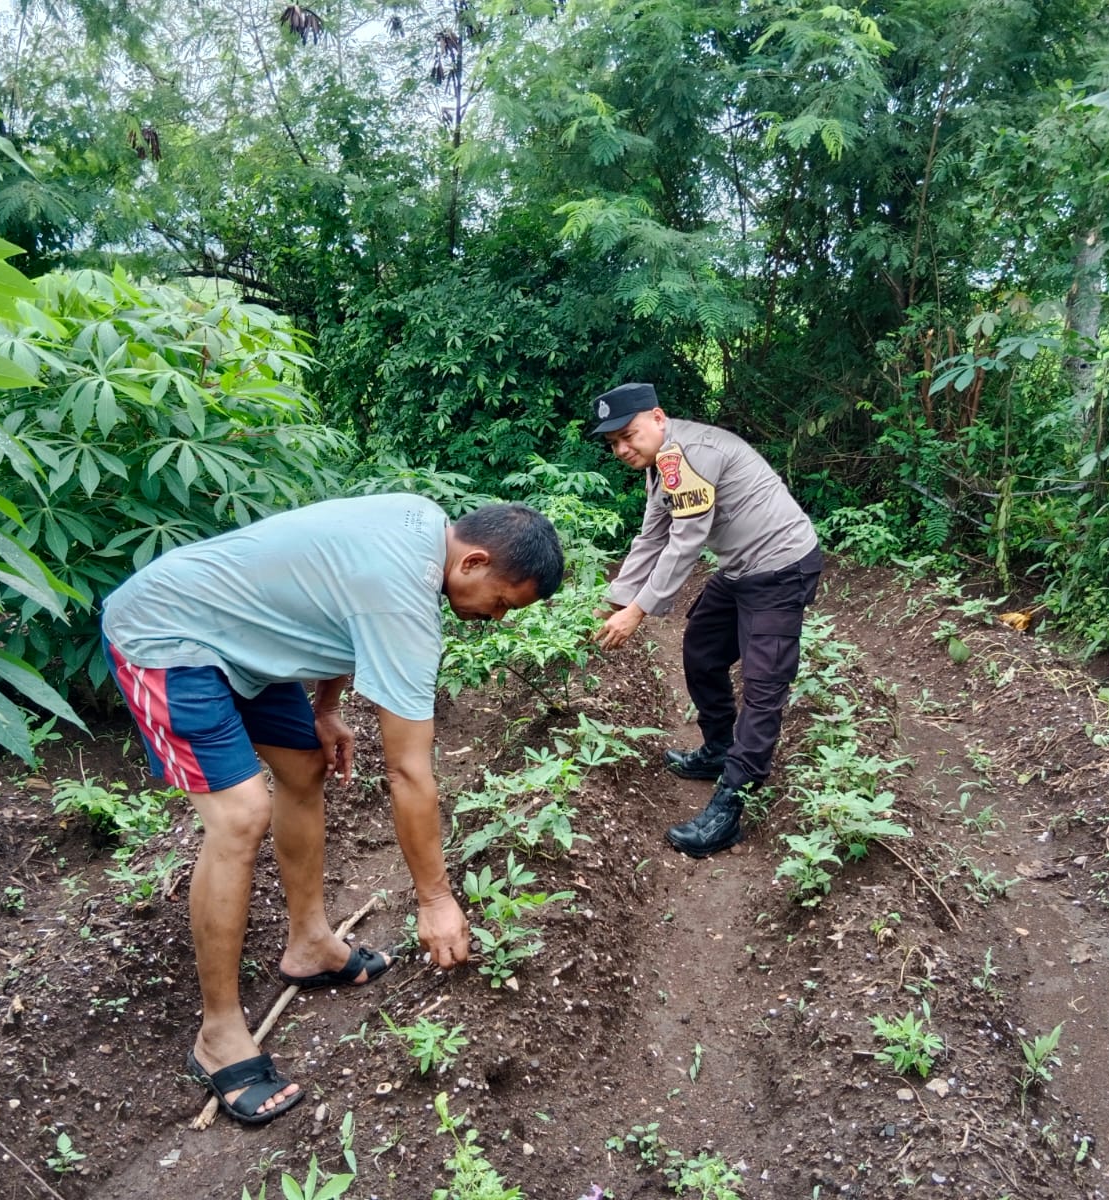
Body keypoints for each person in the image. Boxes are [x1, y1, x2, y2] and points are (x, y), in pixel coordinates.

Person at [100, 496, 563, 1125]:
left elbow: (331, 599)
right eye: (502, 602)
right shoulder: (403, 599)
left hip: (247, 638)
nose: (497, 617)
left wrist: (324, 706)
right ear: (474, 562)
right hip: (169, 634)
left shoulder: (421, 525)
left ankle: (311, 943)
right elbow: (407, 769)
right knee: (240, 814)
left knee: (304, 765)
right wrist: (434, 900)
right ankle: (218, 1036)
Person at [591, 382, 822, 858]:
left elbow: (685, 542)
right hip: (741, 569)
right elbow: (651, 537)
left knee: (763, 689)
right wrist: (613, 602)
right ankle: (719, 748)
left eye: (628, 435)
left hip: (780, 568)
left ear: (658, 417)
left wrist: (638, 611)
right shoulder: (662, 464)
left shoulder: (687, 455)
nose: (621, 449)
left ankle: (731, 805)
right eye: (613, 443)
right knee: (702, 649)